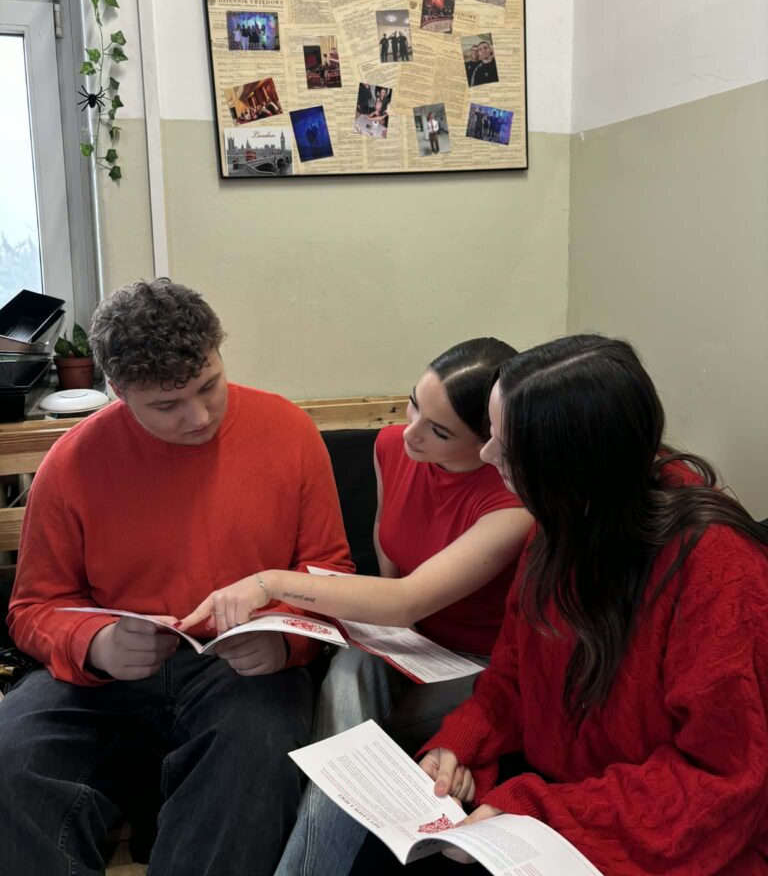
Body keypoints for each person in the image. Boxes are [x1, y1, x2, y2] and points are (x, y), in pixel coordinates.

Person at [351, 334, 768, 875]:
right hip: (571, 793)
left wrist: (538, 814)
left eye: (505, 447)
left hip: (662, 831)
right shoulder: (563, 523)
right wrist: (460, 744)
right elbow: (513, 678)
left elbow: (723, 780)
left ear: (570, 465)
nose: (486, 455)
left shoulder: (717, 568)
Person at [0, 278, 353, 876]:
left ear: (219, 352)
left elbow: (331, 574)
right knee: (9, 759)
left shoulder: (288, 432)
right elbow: (33, 608)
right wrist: (96, 644)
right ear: (118, 393)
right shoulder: (73, 462)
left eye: (209, 385)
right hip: (104, 679)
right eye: (166, 406)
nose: (199, 416)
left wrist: (285, 640)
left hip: (240, 672)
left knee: (255, 753)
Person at [182, 337, 534, 876]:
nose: (411, 432)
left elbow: (405, 599)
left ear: (490, 440)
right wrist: (379, 637)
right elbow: (390, 563)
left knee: (353, 726)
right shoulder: (392, 447)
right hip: (413, 645)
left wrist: (268, 583)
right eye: (413, 404)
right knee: (349, 673)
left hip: (481, 664)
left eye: (439, 432)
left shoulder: (511, 502)